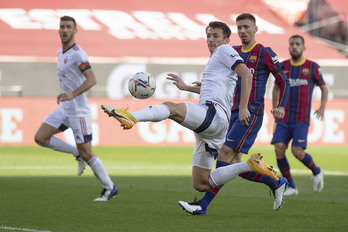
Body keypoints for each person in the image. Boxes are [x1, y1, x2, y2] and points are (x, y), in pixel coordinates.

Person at [101, 21, 279, 210]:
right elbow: (219, 88)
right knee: (201, 183)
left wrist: (243, 107)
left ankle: (132, 117)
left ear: (227, 40)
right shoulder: (218, 59)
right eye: (208, 35)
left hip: (214, 113)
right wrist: (187, 87)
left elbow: (247, 74)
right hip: (215, 123)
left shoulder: (223, 51)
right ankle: (249, 165)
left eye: (215, 36)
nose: (211, 39)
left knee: (172, 108)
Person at [178, 13, 290, 215]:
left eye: (247, 27)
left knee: (224, 156)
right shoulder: (231, 51)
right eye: (239, 28)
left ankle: (202, 205)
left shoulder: (264, 52)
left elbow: (283, 81)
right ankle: (276, 182)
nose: (243, 31)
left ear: (255, 29)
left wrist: (279, 106)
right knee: (235, 165)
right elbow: (220, 87)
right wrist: (188, 87)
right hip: (230, 113)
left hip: (250, 112)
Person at [34, 16, 118, 201]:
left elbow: (91, 79)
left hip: (79, 111)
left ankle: (109, 187)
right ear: (59, 29)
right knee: (40, 137)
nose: (64, 30)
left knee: (87, 153)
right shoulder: (61, 53)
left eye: (68, 27)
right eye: (62, 27)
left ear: (75, 30)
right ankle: (75, 153)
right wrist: (65, 94)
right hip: (65, 108)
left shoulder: (79, 54)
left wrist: (72, 94)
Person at [271, 34, 328, 195]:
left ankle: (317, 171)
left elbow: (324, 87)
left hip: (301, 119)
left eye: (298, 44)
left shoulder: (312, 67)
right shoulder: (282, 67)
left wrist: (322, 107)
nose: (295, 47)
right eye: (292, 44)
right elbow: (276, 87)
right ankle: (291, 186)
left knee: (297, 151)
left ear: (303, 47)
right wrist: (276, 107)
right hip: (283, 118)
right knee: (279, 148)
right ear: (289, 47)